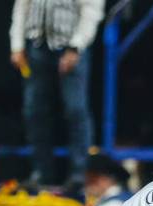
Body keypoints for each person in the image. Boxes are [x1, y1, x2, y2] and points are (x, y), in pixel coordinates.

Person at [10, 0, 103, 192]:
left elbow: (91, 11)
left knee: (75, 110)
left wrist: (76, 47)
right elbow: (22, 7)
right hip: (36, 46)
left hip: (70, 47)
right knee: (34, 111)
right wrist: (17, 44)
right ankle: (41, 173)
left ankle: (79, 174)